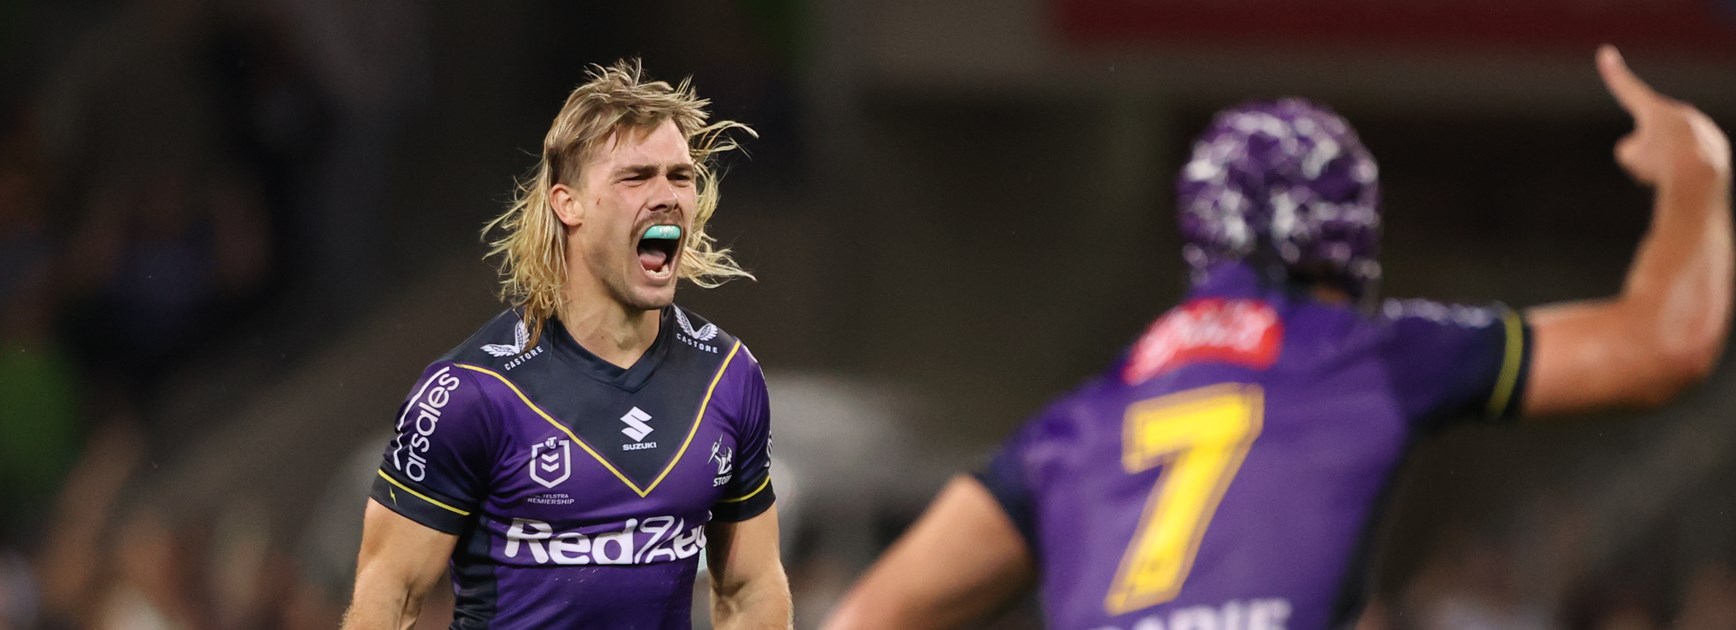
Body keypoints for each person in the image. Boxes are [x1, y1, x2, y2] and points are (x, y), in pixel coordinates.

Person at [825, 45, 1731, 630]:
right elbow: (1665, 345)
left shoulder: (1076, 424)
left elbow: (863, 619)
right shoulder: (1372, 355)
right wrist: (1696, 170)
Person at [342, 60, 790, 629]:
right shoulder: (471, 392)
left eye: (680, 176)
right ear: (567, 203)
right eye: (636, 177)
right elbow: (392, 596)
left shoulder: (728, 376)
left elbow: (751, 589)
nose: (667, 195)